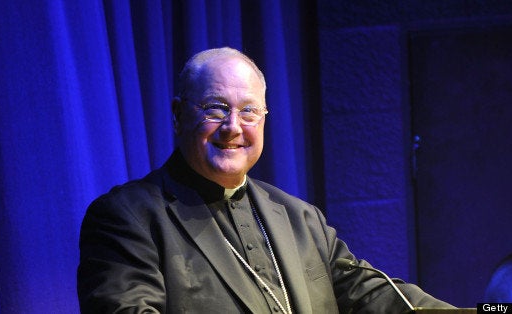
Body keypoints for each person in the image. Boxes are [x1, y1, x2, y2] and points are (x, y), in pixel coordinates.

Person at [77, 47, 453, 313]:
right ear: (178, 116)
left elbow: (378, 296)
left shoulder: (301, 219)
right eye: (215, 108)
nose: (233, 127)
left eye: (249, 111)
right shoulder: (128, 217)